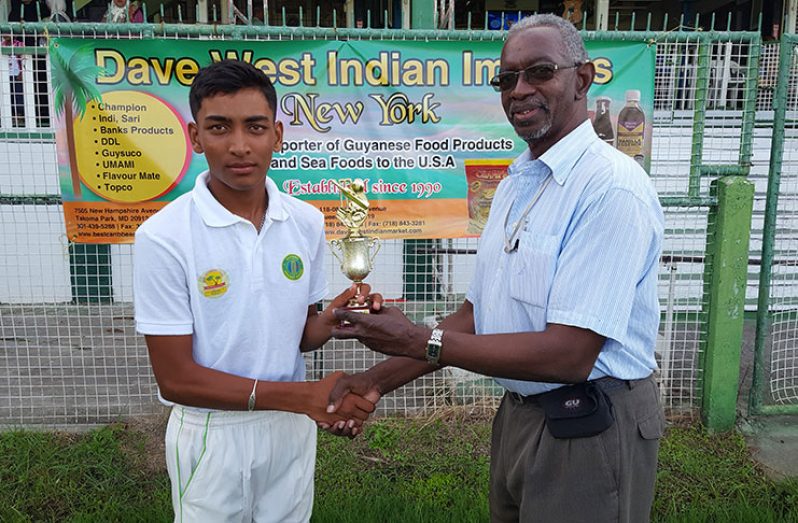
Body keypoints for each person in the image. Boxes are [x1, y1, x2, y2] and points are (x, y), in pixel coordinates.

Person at [328, 13, 666, 523]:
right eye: (507, 79)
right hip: (520, 416)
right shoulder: (516, 182)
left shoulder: (609, 189)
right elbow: (475, 316)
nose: (519, 90)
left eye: (539, 72)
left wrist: (420, 340)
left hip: (591, 425)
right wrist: (376, 380)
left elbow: (571, 354)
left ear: (583, 78)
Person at [133, 59, 379, 522]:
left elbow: (298, 335)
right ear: (195, 137)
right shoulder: (163, 236)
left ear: (278, 134)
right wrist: (304, 398)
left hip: (289, 428)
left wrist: (332, 320)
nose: (240, 146)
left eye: (255, 126)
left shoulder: (303, 221)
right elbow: (176, 379)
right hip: (212, 433)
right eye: (220, 127)